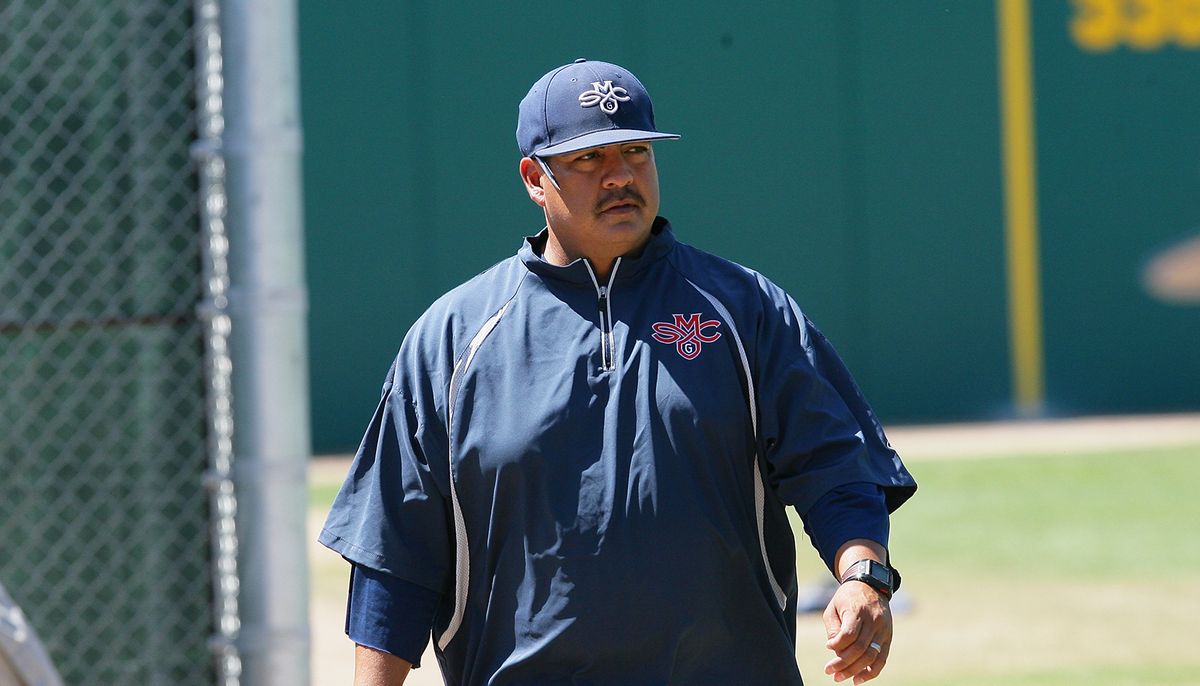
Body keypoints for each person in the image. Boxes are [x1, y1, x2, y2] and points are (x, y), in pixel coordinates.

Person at [320, 58, 917, 686]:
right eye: (588, 159)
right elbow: (395, 555)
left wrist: (862, 576)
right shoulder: (452, 339)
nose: (620, 177)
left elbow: (836, 467)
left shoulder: (744, 310)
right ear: (534, 176)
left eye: (636, 152)